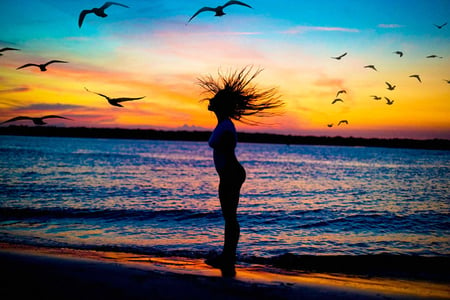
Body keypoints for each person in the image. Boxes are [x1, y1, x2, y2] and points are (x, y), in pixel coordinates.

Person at [198, 66, 284, 277]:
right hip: (229, 173)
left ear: (221, 105)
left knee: (230, 217)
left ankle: (228, 257)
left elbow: (227, 152)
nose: (211, 100)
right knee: (229, 216)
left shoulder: (226, 126)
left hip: (231, 173)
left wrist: (226, 175)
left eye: (215, 99)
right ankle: (227, 255)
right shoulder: (222, 124)